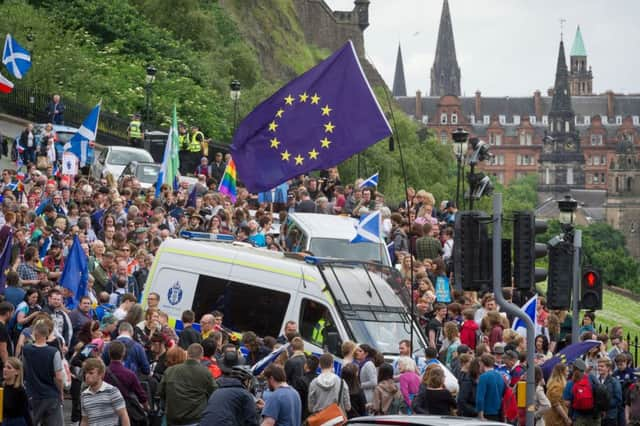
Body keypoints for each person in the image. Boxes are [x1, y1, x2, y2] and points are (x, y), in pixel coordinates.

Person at [159, 343, 217, 426]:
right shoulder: (205, 372)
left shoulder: (170, 371)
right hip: (194, 420)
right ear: (201, 356)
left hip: (172, 419)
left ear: (187, 354)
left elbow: (161, 393)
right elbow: (214, 394)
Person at [22, 320, 65, 426]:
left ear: (34, 333)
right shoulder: (54, 352)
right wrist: (61, 392)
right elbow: (59, 377)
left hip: (32, 394)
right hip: (50, 395)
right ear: (47, 334)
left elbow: (23, 368)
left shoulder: (26, 349)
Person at [81, 357, 131, 426]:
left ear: (100, 374)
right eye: (86, 373)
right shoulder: (84, 395)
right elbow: (85, 421)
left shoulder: (112, 391)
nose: (87, 376)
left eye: (91, 373)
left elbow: (123, 415)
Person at [563, 358, 599, 426]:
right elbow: (599, 393)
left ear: (573, 369)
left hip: (578, 416)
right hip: (593, 416)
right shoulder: (592, 378)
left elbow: (566, 403)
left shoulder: (570, 383)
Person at [475, 353, 505, 421]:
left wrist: (480, 415)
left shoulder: (483, 377)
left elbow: (480, 398)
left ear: (482, 363)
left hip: (487, 414)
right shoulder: (500, 376)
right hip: (498, 413)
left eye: (479, 364)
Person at [2, 357, 31, 426]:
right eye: (4, 367)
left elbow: (26, 413)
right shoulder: (2, 388)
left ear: (17, 372)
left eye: (9, 368)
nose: (5, 370)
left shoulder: (20, 391)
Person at [598, 357, 623, 426]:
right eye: (599, 366)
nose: (599, 368)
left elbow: (618, 399)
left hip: (610, 417)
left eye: (602, 366)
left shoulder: (614, 382)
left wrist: (605, 406)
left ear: (608, 368)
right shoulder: (596, 381)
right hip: (598, 417)